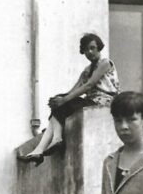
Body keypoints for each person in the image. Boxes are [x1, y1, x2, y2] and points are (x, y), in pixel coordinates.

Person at [19, 33, 119, 165]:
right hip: (91, 101)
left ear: (98, 47)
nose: (89, 52)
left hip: (104, 102)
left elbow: (89, 85)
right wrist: (59, 99)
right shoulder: (87, 70)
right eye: (86, 49)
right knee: (60, 102)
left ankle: (54, 140)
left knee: (64, 103)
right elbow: (74, 90)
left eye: (92, 48)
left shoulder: (105, 63)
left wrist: (64, 101)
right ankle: (40, 150)